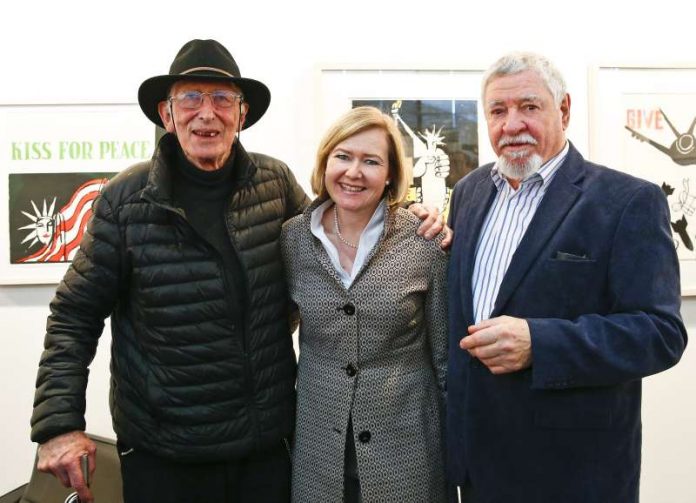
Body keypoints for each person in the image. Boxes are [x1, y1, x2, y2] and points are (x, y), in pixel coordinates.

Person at [29, 40, 447, 503]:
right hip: (165, 454)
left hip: (264, 452)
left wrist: (413, 217)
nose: (206, 113)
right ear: (166, 115)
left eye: (222, 99)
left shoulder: (274, 184)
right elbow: (73, 315)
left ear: (241, 114)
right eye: (190, 98)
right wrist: (59, 424)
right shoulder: (125, 201)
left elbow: (339, 243)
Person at [446, 52, 687, 503]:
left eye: (529, 107)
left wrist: (541, 343)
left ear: (565, 110)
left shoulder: (628, 200)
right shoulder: (469, 192)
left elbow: (661, 333)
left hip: (575, 473)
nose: (512, 124)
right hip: (479, 466)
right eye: (498, 111)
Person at [281, 106, 449, 502]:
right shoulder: (292, 240)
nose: (354, 172)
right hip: (318, 452)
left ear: (390, 173)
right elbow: (276, 329)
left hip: (407, 451)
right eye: (343, 156)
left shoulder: (424, 241)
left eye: (371, 161)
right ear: (325, 163)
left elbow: (445, 362)